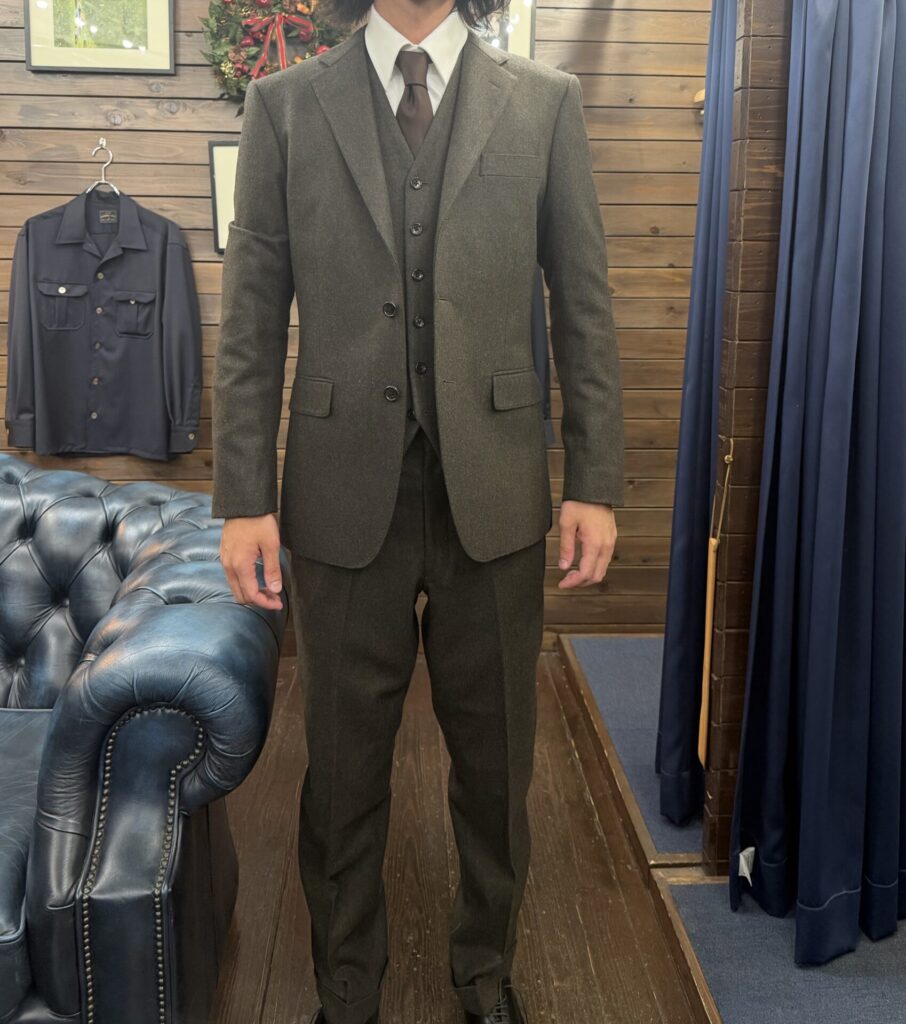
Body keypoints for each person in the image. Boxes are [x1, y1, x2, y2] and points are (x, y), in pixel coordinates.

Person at [211, 0, 625, 1021]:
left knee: (497, 764)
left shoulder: (545, 102)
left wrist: (594, 479)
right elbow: (252, 310)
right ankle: (346, 988)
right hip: (340, 490)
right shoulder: (284, 105)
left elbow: (582, 299)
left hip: (498, 491)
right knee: (342, 765)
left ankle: (486, 975)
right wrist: (243, 496)